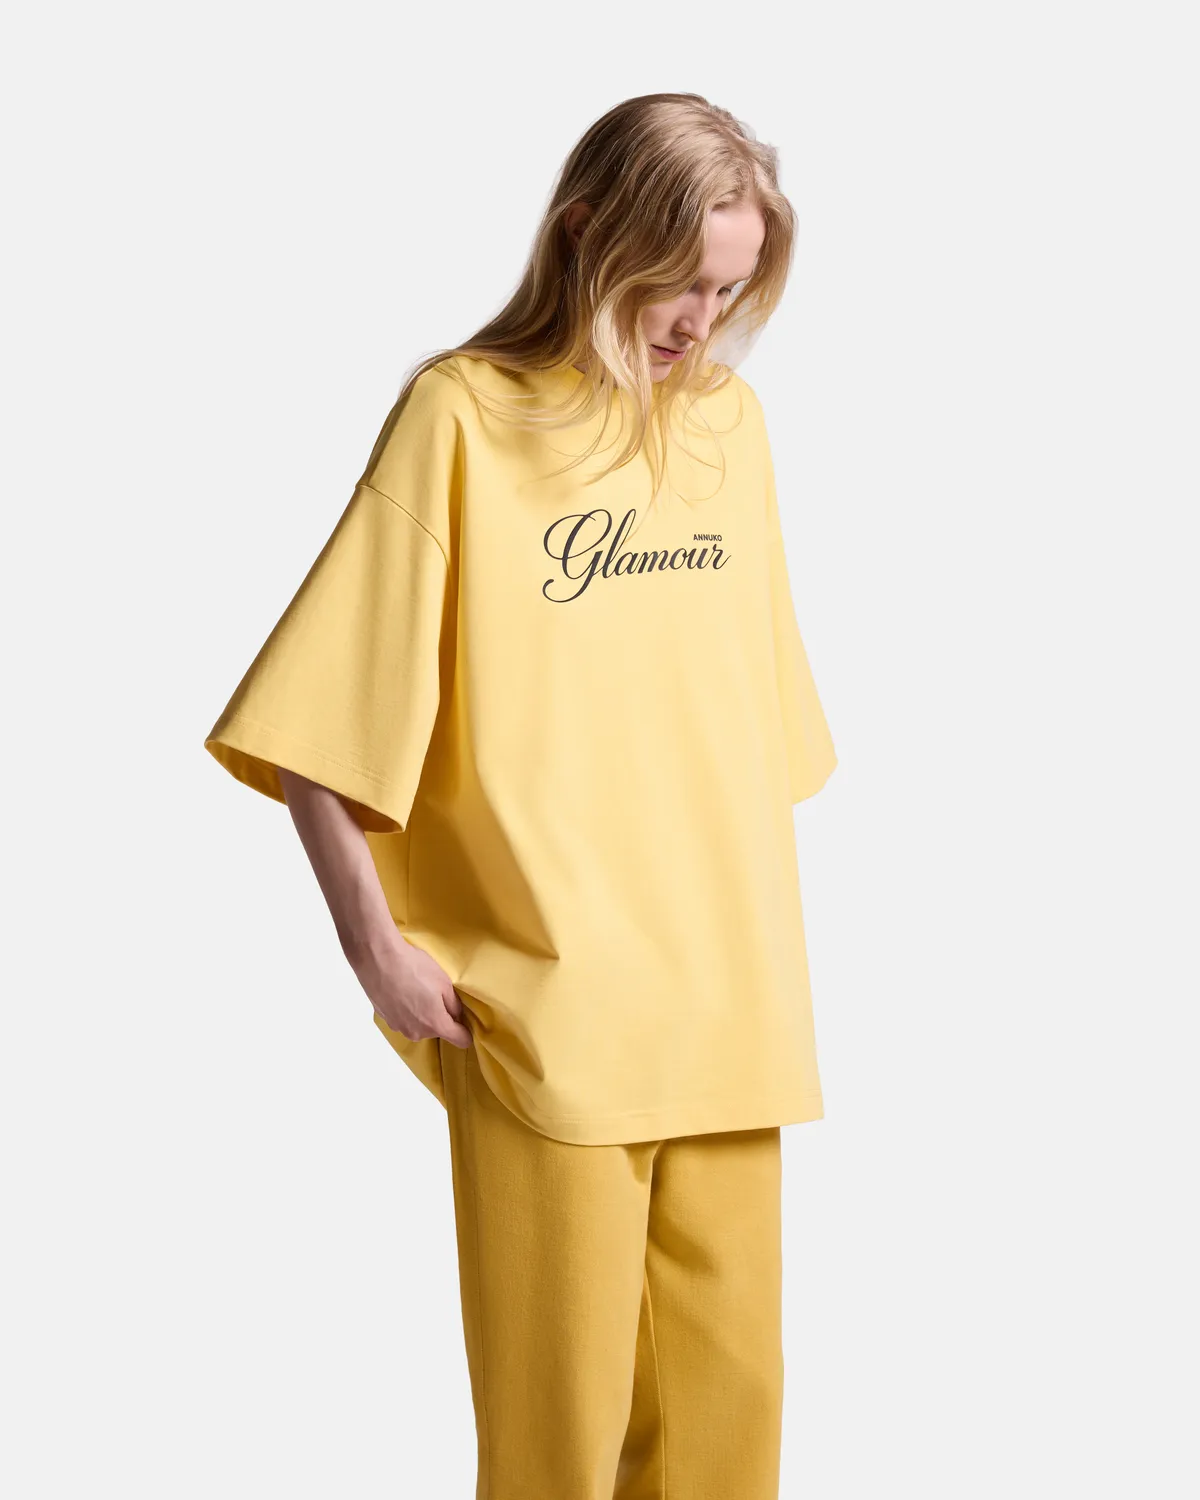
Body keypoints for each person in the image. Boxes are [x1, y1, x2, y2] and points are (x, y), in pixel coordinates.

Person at [203, 90, 837, 1500]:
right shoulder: (463, 417)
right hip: (548, 1011)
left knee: (730, 1440)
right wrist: (373, 947)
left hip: (731, 1007)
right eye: (680, 281)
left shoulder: (731, 428)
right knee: (557, 1443)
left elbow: (753, 740)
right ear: (588, 233)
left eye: (730, 290)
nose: (703, 323)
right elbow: (319, 717)